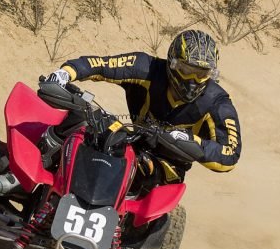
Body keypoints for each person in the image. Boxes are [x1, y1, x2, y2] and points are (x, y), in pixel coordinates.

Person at [44, 29, 241, 189]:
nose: (193, 79)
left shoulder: (218, 103)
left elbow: (230, 154)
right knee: (81, 123)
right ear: (172, 63)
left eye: (202, 73)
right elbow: (102, 65)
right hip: (131, 140)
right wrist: (65, 74)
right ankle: (36, 171)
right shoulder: (147, 67)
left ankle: (130, 230)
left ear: (212, 74)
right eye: (186, 70)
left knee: (151, 180)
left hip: (167, 164)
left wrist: (191, 141)